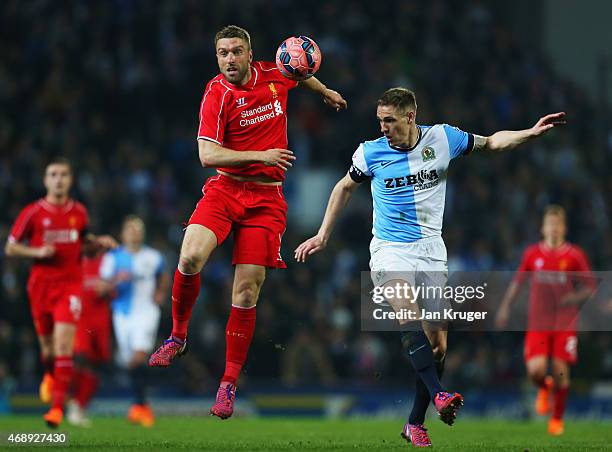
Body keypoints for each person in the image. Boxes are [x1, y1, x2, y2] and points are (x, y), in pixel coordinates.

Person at [294, 87, 565, 447]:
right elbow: (344, 187)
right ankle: (439, 394)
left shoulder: (442, 137)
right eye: (380, 121)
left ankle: (414, 422)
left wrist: (529, 133)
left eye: (389, 121)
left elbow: (492, 143)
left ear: (410, 116)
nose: (383, 128)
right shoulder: (370, 152)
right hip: (390, 250)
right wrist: (323, 234)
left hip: (432, 251)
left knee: (437, 345)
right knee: (405, 308)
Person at [148, 24, 346, 419]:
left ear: (250, 54)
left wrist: (323, 91)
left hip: (266, 200)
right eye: (222, 53)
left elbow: (299, 73)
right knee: (189, 258)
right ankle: (177, 336)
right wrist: (263, 156)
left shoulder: (275, 73)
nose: (229, 59)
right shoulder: (216, 94)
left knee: (246, 292)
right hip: (225, 190)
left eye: (236, 51)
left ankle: (227, 384)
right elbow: (208, 156)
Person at [5, 156, 116, 428]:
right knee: (48, 348)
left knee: (65, 346)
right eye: (53, 175)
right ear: (46, 180)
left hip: (70, 285)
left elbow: (84, 244)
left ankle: (56, 409)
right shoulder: (33, 213)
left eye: (63, 175)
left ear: (70, 180)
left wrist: (98, 243)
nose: (58, 179)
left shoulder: (79, 212)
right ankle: (49, 374)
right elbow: (10, 247)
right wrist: (36, 251)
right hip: (41, 287)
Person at [496, 205, 595, 436]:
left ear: (564, 228)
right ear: (542, 228)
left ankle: (557, 420)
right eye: (550, 224)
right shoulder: (532, 254)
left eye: (557, 224)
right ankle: (544, 387)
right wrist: (504, 307)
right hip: (538, 322)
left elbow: (589, 287)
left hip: (564, 323)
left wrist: (573, 296)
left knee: (561, 370)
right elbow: (518, 282)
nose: (553, 228)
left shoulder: (574, 255)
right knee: (535, 371)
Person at [99, 215, 168, 427]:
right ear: (123, 233)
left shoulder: (153, 256)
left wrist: (161, 293)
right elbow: (101, 287)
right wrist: (115, 281)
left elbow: (164, 275)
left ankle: (141, 405)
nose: (134, 232)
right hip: (122, 313)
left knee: (138, 357)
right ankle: (141, 406)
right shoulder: (113, 258)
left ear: (143, 233)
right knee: (130, 363)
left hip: (146, 312)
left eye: (138, 228)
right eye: (130, 228)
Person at [67, 250, 113, 427]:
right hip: (80, 319)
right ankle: (71, 402)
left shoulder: (107, 262)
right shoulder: (75, 261)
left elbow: (115, 288)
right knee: (79, 358)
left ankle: (80, 406)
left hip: (100, 321)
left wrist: (109, 287)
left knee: (95, 365)